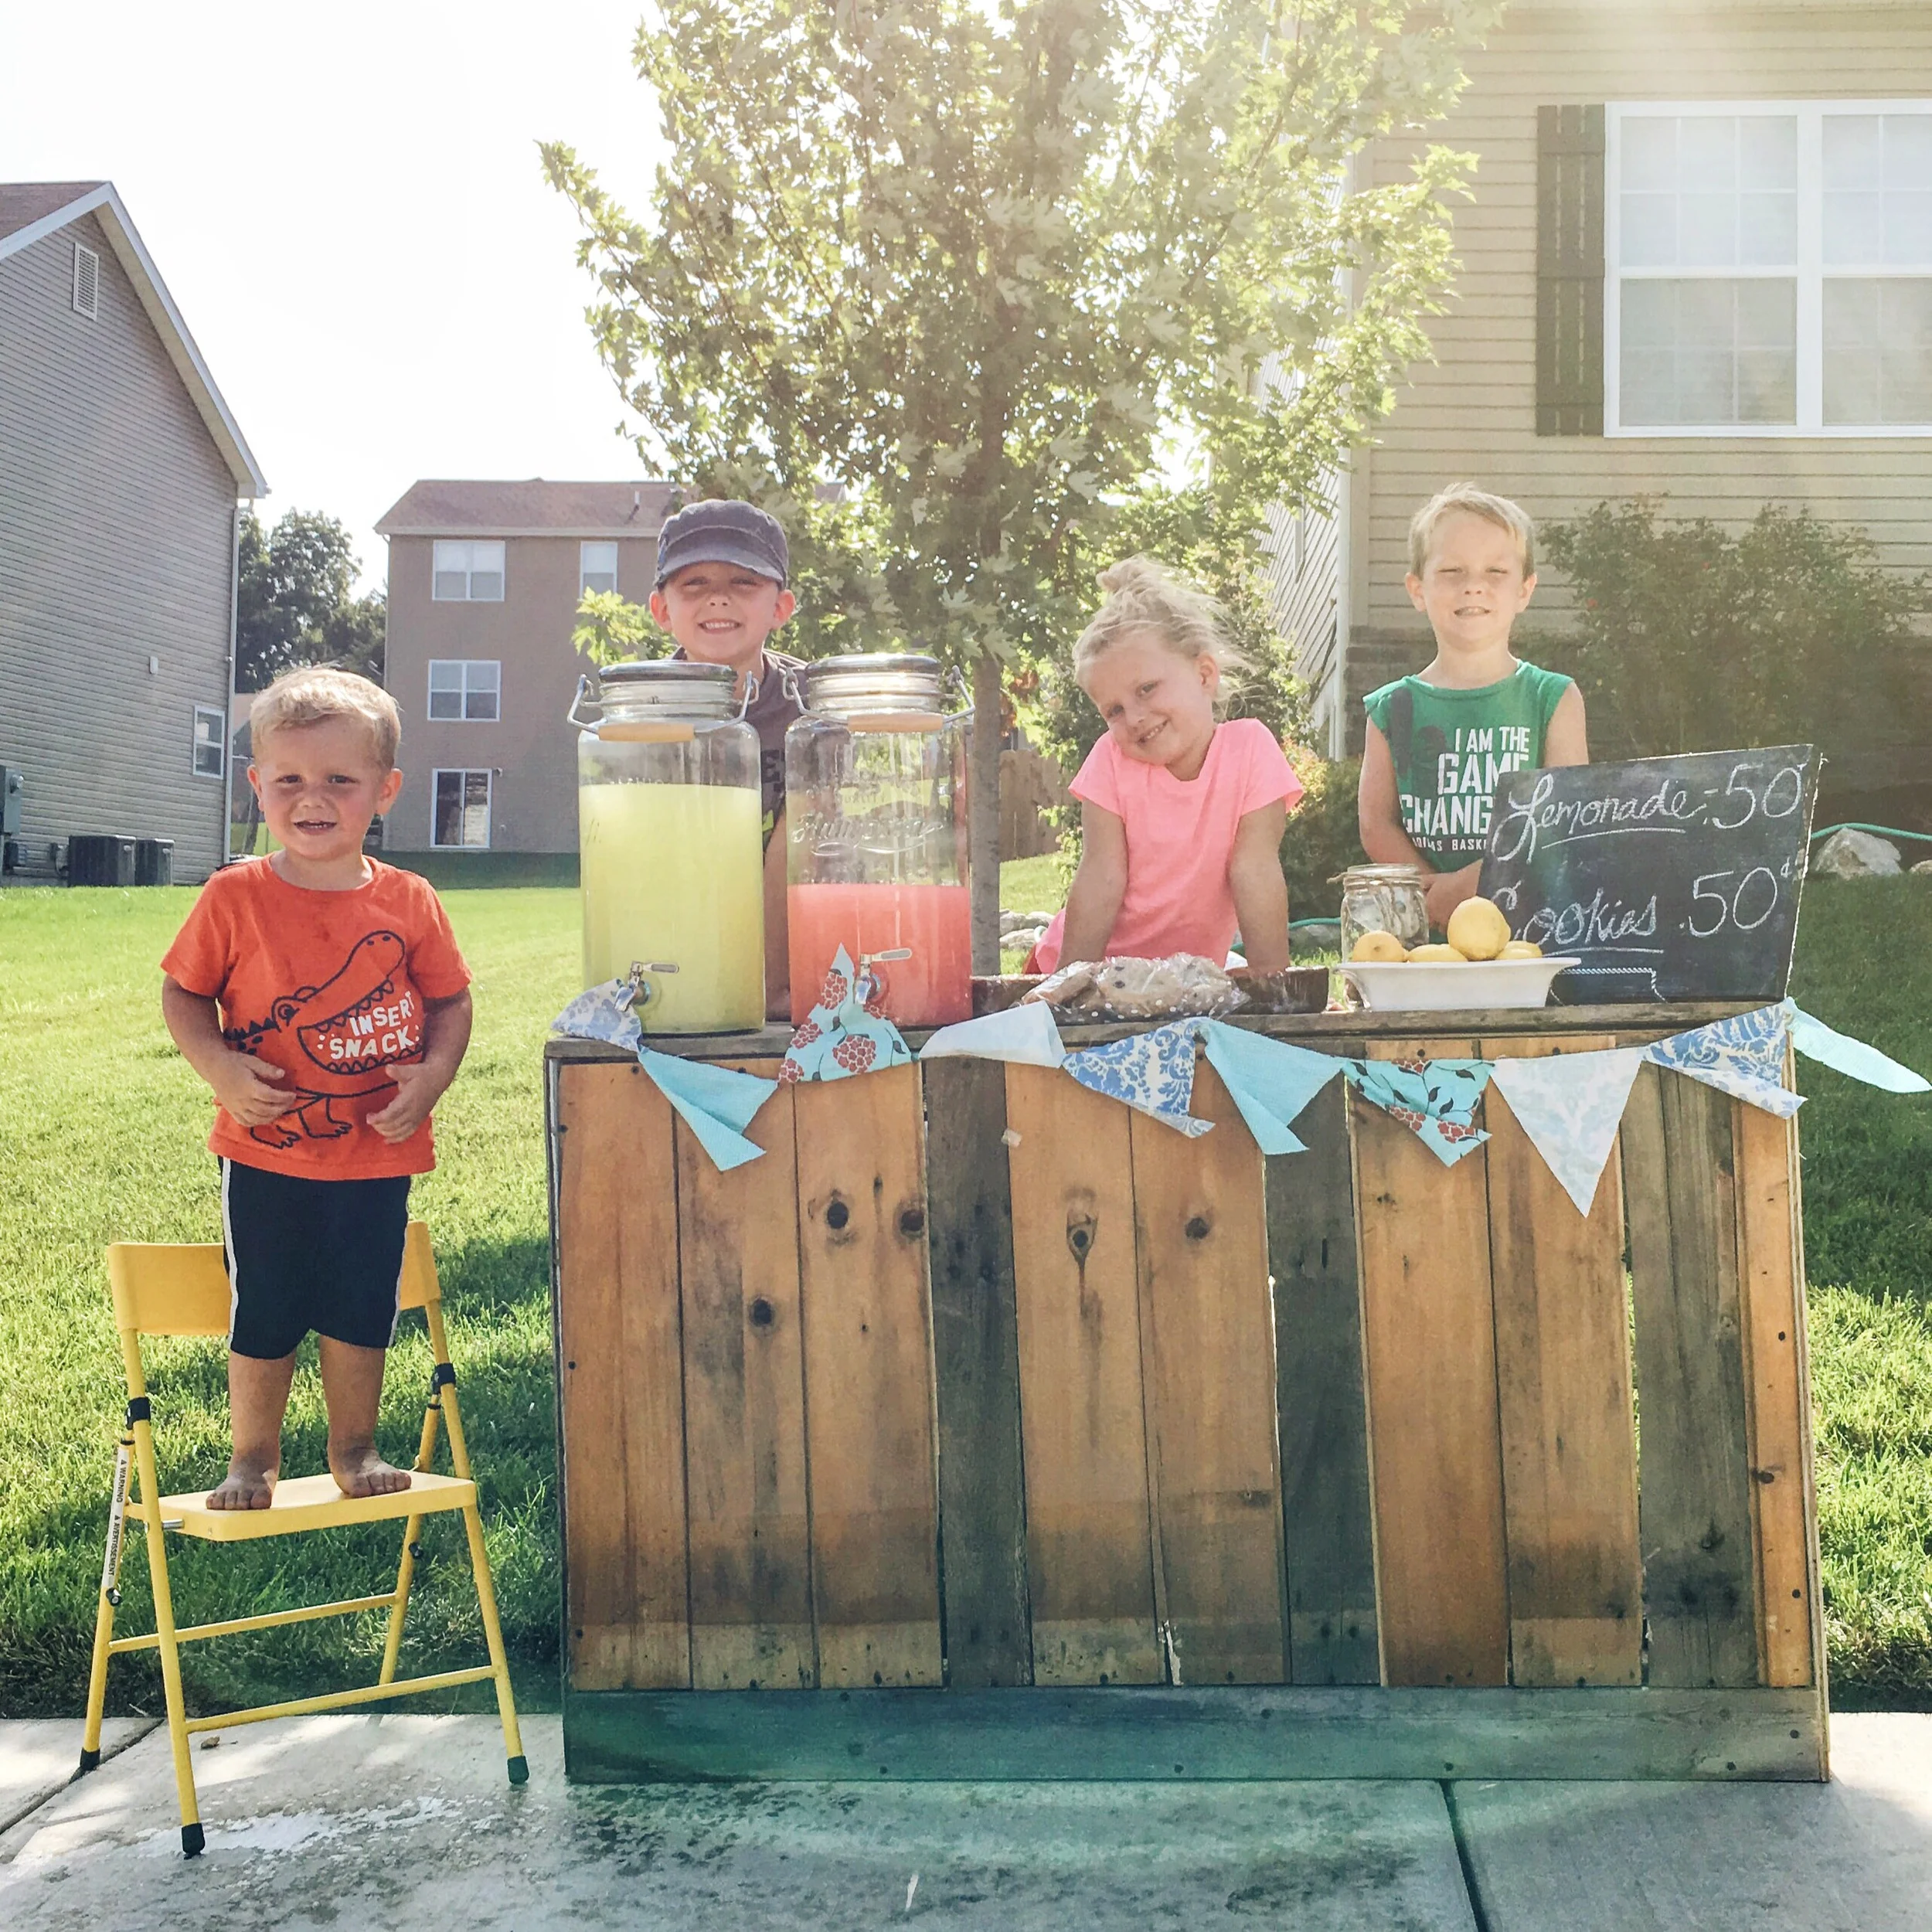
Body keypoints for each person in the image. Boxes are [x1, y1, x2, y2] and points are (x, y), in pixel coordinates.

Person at [161, 668, 473, 1511]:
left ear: (385, 790)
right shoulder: (235, 895)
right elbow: (183, 995)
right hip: (264, 1149)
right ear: (257, 784)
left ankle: (354, 1447)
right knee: (266, 1303)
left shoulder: (411, 901)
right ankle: (252, 1459)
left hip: (378, 1150)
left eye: (340, 779)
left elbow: (451, 1002)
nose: (314, 798)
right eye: (290, 779)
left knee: (361, 1303)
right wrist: (222, 1069)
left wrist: (433, 1076)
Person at [1031, 559, 1304, 975]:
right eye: (1114, 710)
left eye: (1146, 689)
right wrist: (1066, 991)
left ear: (1204, 675)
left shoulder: (1250, 750)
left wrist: (1274, 987)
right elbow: (1102, 878)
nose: (1135, 717)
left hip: (1181, 984)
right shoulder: (1110, 761)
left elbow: (1255, 869)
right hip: (1085, 971)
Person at [1358, 482, 1589, 930]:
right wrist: (1432, 895)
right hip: (1425, 933)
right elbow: (1376, 824)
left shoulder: (1554, 698)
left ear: (1524, 590)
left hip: (1531, 932)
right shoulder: (1390, 708)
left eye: (1496, 572)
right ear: (1417, 589)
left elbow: (1563, 822)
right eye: (1452, 571)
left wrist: (1473, 884)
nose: (1474, 587)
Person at [648, 498, 806, 1019]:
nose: (718, 598)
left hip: (800, 962)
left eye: (744, 582)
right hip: (678, 958)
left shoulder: (814, 708)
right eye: (694, 583)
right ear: (662, 610)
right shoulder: (640, 715)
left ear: (780, 608)